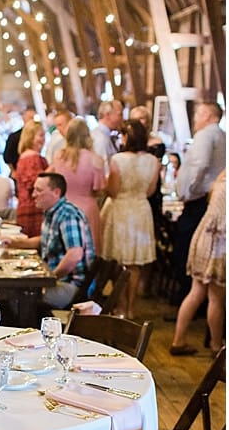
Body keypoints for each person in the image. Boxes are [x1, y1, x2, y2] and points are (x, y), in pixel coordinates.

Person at [6, 172, 95, 309]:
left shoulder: (67, 214)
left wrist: (50, 279)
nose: (34, 194)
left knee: (17, 296)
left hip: (72, 286)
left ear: (56, 192)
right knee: (15, 290)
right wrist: (12, 242)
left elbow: (75, 254)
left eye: (39, 190)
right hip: (57, 280)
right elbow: (45, 240)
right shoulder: (52, 212)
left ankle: (29, 327)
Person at [101, 119, 159, 318]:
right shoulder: (153, 161)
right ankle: (132, 308)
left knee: (117, 262)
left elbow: (114, 190)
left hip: (120, 211)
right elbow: (151, 190)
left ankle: (121, 306)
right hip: (141, 210)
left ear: (127, 137)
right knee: (135, 264)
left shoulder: (118, 160)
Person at [173, 101, 226, 299]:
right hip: (212, 199)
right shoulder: (222, 135)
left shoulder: (206, 135)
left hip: (200, 198)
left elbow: (201, 164)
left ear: (210, 116)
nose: (195, 118)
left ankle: (185, 296)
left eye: (199, 114)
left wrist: (191, 189)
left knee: (185, 248)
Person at [170, 170, 225, 355]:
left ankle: (178, 340)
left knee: (197, 293)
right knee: (216, 297)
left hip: (204, 239)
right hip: (218, 244)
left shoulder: (221, 180)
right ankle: (217, 347)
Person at [48, 117, 106, 254]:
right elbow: (100, 188)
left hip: (64, 207)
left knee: (66, 250)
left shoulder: (59, 157)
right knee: (88, 251)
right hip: (87, 209)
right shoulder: (95, 159)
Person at [13, 121, 49, 237]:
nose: (43, 139)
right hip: (33, 210)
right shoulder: (32, 157)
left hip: (25, 207)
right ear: (30, 136)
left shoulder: (23, 157)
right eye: (41, 135)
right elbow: (36, 183)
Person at [92, 100, 120, 164]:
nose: (122, 119)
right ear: (107, 115)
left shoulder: (103, 136)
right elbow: (104, 168)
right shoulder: (101, 139)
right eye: (119, 114)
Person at [3, 108, 29, 172]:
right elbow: (7, 157)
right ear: (24, 118)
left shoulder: (38, 135)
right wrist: (13, 171)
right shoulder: (14, 136)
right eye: (30, 118)